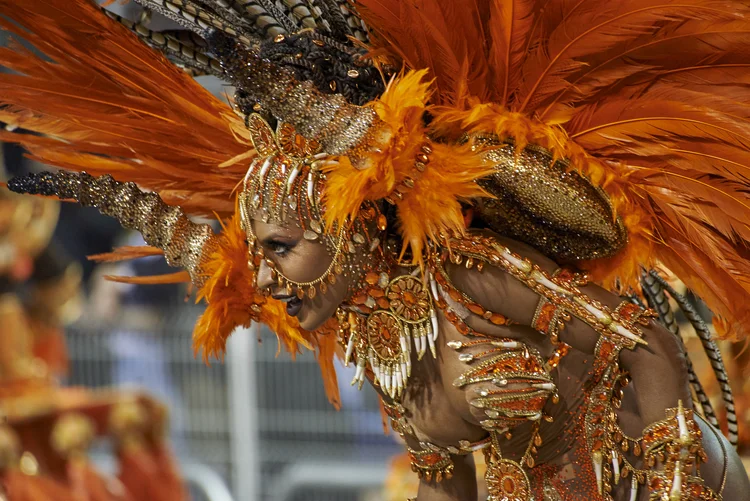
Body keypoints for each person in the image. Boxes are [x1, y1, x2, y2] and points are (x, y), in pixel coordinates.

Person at [2, 0, 750, 499]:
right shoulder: (379, 337)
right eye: (258, 251)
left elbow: (643, 338)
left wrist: (669, 482)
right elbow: (442, 481)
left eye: (283, 246)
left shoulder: (468, 274)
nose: (264, 275)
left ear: (351, 225)